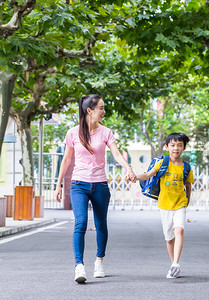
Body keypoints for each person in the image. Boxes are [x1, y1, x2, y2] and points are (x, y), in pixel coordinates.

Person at [54, 94, 136, 283]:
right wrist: (58, 185)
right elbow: (66, 160)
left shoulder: (106, 132)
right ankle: (79, 266)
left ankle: (99, 262)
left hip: (99, 184)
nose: (103, 111)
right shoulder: (73, 133)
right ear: (89, 111)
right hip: (78, 184)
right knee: (80, 222)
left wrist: (128, 168)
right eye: (101, 108)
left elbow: (116, 154)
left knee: (101, 224)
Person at [134, 133, 194, 279]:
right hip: (165, 205)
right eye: (173, 145)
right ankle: (172, 263)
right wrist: (135, 176)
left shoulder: (187, 167)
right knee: (169, 238)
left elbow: (188, 184)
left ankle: (176, 264)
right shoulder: (163, 162)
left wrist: (187, 200)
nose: (176, 148)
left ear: (184, 148)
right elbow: (148, 175)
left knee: (179, 230)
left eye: (180, 145)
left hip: (180, 204)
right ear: (166, 147)